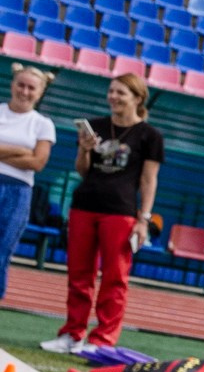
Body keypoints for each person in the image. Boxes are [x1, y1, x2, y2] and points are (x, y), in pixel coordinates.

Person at [42, 71, 161, 354]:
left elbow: (148, 179)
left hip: (120, 212)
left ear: (137, 98)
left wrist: (143, 219)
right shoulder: (94, 126)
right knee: (78, 274)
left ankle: (102, 341)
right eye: (111, 91)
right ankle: (72, 334)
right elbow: (83, 171)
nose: (113, 97)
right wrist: (84, 151)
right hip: (84, 206)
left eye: (121, 92)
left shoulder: (149, 135)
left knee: (114, 278)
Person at [0, 64, 56, 302]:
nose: (24, 91)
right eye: (20, 85)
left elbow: (37, 162)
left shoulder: (43, 124)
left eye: (31, 87)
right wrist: (21, 151)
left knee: (2, 250)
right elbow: (29, 156)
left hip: (17, 191)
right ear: (12, 85)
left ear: (40, 92)